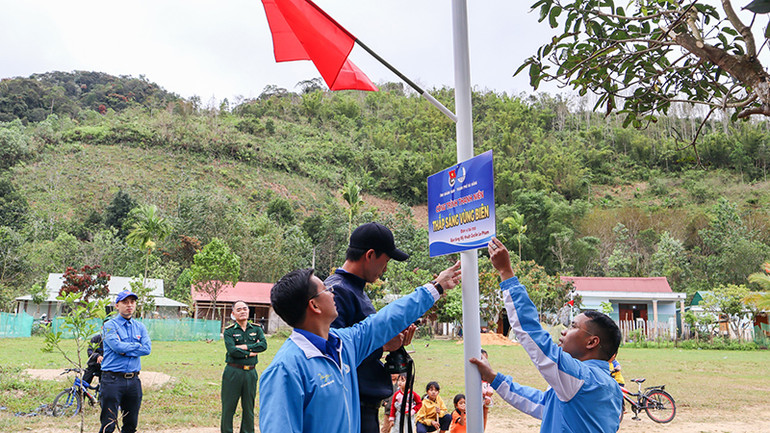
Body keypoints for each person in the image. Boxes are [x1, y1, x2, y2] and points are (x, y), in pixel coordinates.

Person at [259, 262, 461, 433]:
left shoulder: (343, 344)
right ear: (314, 305)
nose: (332, 292)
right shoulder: (286, 370)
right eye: (326, 290)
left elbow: (386, 319)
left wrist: (436, 287)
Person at [469, 237, 623, 433]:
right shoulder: (608, 388)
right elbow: (541, 404)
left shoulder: (582, 379)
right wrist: (494, 378)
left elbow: (533, 335)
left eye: (573, 326)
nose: (564, 331)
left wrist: (506, 273)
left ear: (592, 342)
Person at [325, 222, 415, 433]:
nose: (385, 269)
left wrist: (393, 342)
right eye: (386, 261)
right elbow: (332, 352)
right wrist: (383, 345)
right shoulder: (337, 292)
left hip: (364, 407)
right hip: (352, 408)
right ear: (370, 255)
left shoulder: (355, 290)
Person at [99, 290, 152, 433]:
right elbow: (117, 347)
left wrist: (126, 349)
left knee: (131, 424)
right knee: (108, 424)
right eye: (125, 302)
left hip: (133, 381)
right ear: (117, 305)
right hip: (112, 380)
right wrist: (137, 346)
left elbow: (147, 349)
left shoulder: (140, 327)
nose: (129, 305)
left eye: (132, 302)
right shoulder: (110, 326)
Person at [221, 301, 267, 433]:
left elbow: (263, 345)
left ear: (248, 311)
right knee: (229, 407)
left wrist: (245, 347)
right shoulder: (229, 331)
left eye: (245, 309)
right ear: (233, 313)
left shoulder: (256, 329)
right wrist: (251, 353)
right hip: (233, 372)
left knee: (248, 407)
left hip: (250, 373)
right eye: (239, 309)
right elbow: (232, 351)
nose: (242, 311)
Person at [479, 349, 493, 430]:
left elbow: (490, 383)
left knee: (485, 414)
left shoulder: (487, 370)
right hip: (479, 394)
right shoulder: (474, 370)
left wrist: (488, 396)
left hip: (487, 395)